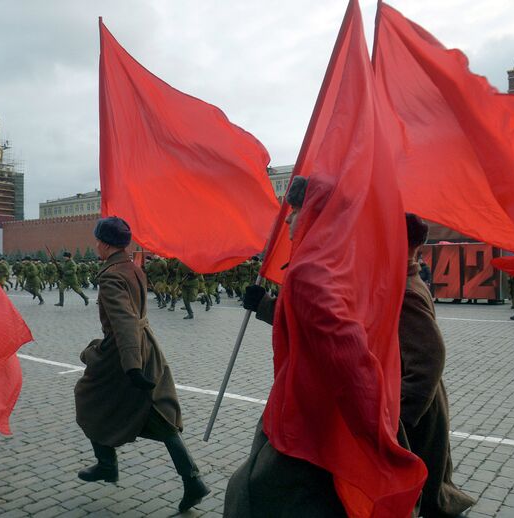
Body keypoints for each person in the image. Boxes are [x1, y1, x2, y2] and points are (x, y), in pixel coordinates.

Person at [224, 176, 348, 516]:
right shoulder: (318, 263)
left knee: (253, 491)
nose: (288, 219)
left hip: (310, 409)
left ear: (313, 215)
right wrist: (265, 303)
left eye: (296, 211)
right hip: (298, 399)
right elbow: (305, 320)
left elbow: (345, 348)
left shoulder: (315, 270)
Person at [74, 217, 209, 513]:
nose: (96, 244)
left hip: (121, 354)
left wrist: (132, 367)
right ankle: (193, 479)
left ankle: (107, 464)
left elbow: (123, 320)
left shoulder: (111, 275)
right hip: (143, 345)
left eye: (98, 239)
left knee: (88, 397)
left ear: (105, 243)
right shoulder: (132, 268)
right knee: (157, 412)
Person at [400, 214, 475, 517]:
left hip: (417, 407)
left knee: (427, 489)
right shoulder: (404, 280)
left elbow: (429, 358)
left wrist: (401, 416)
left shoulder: (404, 290)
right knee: (429, 481)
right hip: (423, 401)